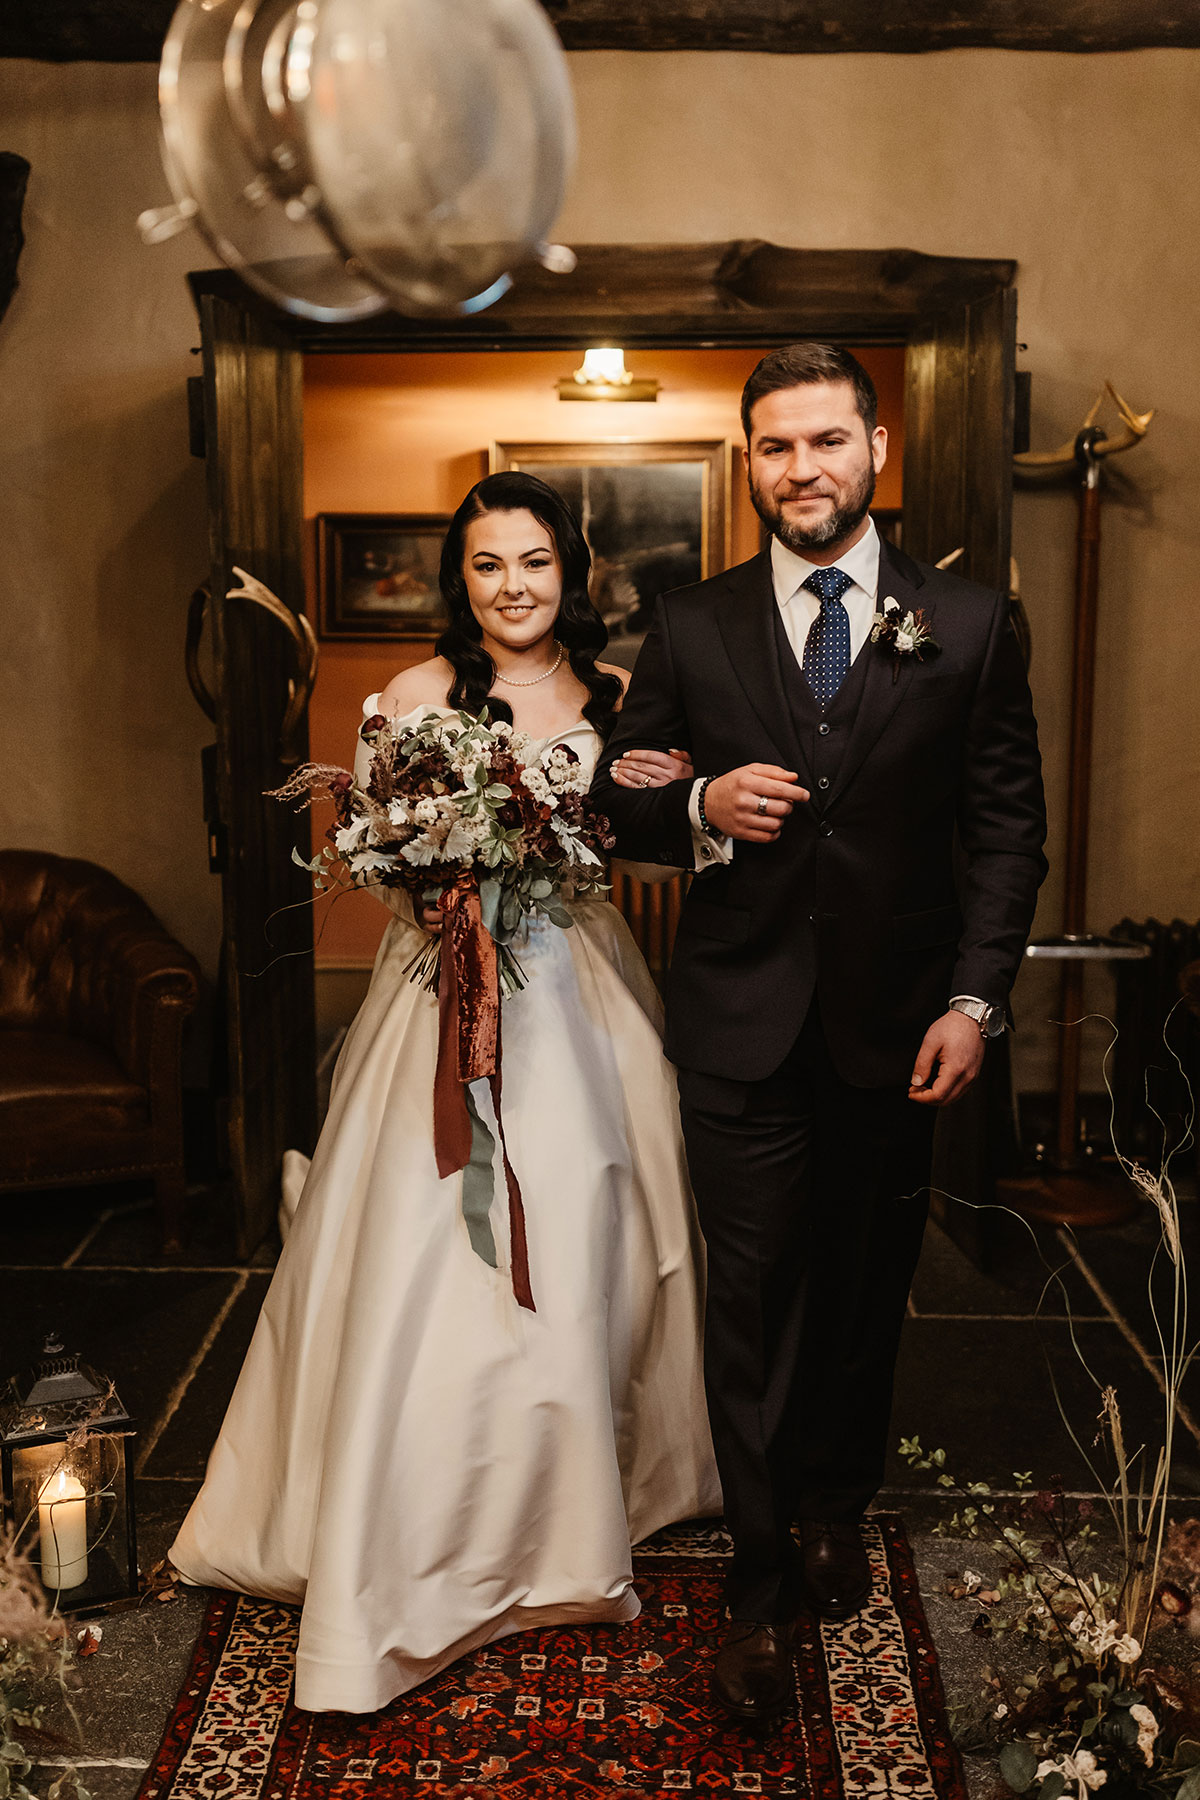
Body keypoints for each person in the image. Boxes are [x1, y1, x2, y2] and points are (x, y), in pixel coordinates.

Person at [170, 471, 721, 1713]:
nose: (514, 587)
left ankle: (574, 1503)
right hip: (438, 994)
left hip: (580, 991)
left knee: (595, 1233)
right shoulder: (414, 697)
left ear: (568, 571)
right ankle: (416, 1500)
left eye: (534, 562)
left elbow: (648, 834)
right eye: (487, 566)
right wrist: (436, 873)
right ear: (457, 579)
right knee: (422, 1254)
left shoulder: (623, 700)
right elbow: (373, 864)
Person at [592, 343, 1048, 1728]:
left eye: (826, 443)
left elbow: (1006, 828)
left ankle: (835, 1502)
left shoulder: (964, 624)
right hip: (739, 1024)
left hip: (900, 1030)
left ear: (874, 452)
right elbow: (620, 804)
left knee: (862, 1287)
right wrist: (702, 805)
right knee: (752, 1295)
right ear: (750, 466)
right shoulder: (692, 621)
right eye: (776, 448)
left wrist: (974, 1001)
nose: (803, 470)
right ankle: (755, 1566)